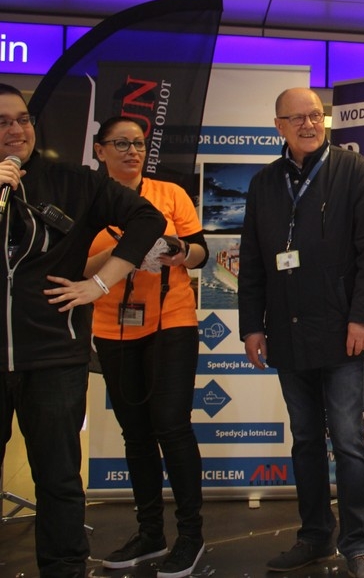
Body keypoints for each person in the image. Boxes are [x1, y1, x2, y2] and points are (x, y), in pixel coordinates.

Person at [0, 83, 167, 577]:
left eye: (23, 119)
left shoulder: (73, 181)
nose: (16, 130)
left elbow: (147, 219)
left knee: (58, 479)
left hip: (55, 355)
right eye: (2, 122)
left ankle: (65, 569)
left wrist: (99, 283)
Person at [237, 88, 364, 578]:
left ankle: (359, 545)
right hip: (286, 332)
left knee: (348, 441)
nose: (309, 124)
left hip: (343, 332)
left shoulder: (354, 170)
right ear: (278, 126)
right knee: (305, 440)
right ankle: (314, 536)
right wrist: (251, 326)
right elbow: (252, 262)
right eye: (297, 118)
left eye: (315, 115)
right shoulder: (264, 183)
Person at [85, 116, 209, 578]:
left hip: (171, 319)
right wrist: (127, 251)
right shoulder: (87, 199)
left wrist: (180, 251)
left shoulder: (169, 194)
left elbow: (200, 252)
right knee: (135, 434)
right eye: (120, 144)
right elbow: (78, 268)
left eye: (138, 143)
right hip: (112, 325)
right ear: (100, 150)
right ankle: (150, 533)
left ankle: (191, 536)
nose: (132, 151)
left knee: (172, 427)